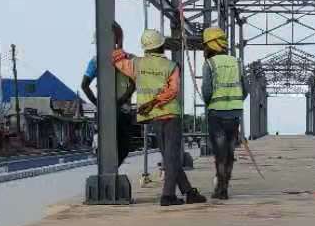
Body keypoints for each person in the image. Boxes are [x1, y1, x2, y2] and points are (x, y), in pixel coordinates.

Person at [118, 29, 206, 206]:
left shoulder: (136, 64)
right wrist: (156, 100)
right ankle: (168, 196)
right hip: (170, 115)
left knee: (169, 157)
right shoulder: (171, 66)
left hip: (154, 118)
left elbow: (117, 59)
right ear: (162, 46)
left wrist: (119, 43)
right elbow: (173, 91)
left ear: (145, 48)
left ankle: (188, 192)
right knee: (171, 157)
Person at [200, 26, 248, 200]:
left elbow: (206, 90)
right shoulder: (237, 62)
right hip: (234, 114)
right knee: (229, 152)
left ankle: (220, 189)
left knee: (219, 154)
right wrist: (234, 101)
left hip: (216, 114)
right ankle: (225, 186)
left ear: (210, 45)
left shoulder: (210, 64)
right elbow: (246, 89)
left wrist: (210, 102)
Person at [81, 22, 138, 167]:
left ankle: (108, 172)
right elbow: (134, 83)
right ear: (119, 39)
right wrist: (121, 101)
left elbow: (84, 85)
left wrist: (98, 103)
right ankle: (111, 172)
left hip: (104, 112)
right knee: (123, 147)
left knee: (105, 146)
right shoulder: (129, 59)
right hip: (123, 111)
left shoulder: (95, 61)